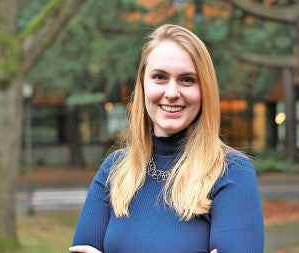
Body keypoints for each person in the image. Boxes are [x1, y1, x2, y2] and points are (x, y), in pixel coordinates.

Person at [70, 24, 264, 253]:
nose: (172, 93)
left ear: (205, 90)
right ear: (143, 85)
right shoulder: (114, 171)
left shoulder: (231, 172)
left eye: (187, 80)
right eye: (160, 77)